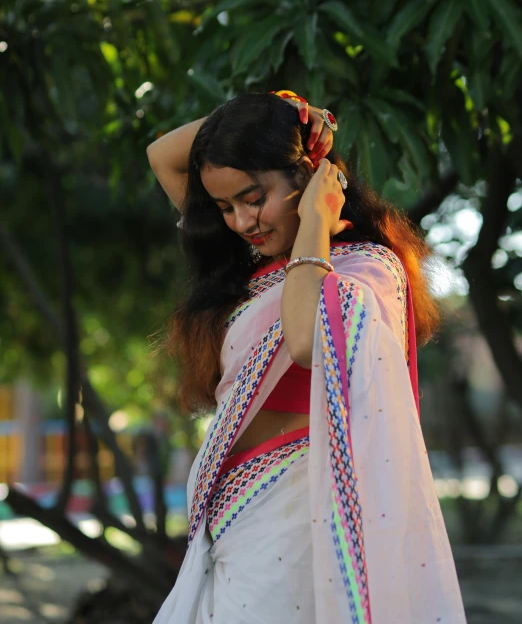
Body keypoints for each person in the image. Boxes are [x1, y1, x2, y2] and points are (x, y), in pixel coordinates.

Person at [147, 90, 466, 624]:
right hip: (232, 519)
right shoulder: (254, 267)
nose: (243, 221)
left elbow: (306, 341)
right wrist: (285, 109)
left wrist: (316, 222)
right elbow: (163, 153)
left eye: (254, 197)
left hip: (301, 514)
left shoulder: (366, 270)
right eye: (225, 207)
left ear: (307, 175)